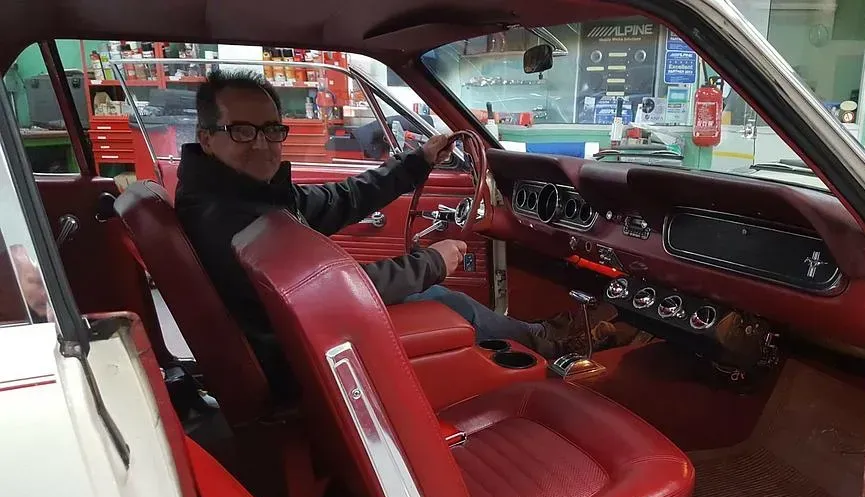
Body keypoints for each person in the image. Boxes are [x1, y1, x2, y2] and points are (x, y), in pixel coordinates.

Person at [175, 70, 598, 402]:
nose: (263, 144)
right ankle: (548, 349)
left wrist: (416, 163)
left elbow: (337, 200)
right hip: (299, 361)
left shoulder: (241, 195)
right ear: (207, 139)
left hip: (294, 335)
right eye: (243, 131)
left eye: (271, 130)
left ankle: (540, 338)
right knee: (447, 304)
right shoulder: (230, 218)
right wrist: (432, 263)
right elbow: (330, 290)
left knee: (435, 299)